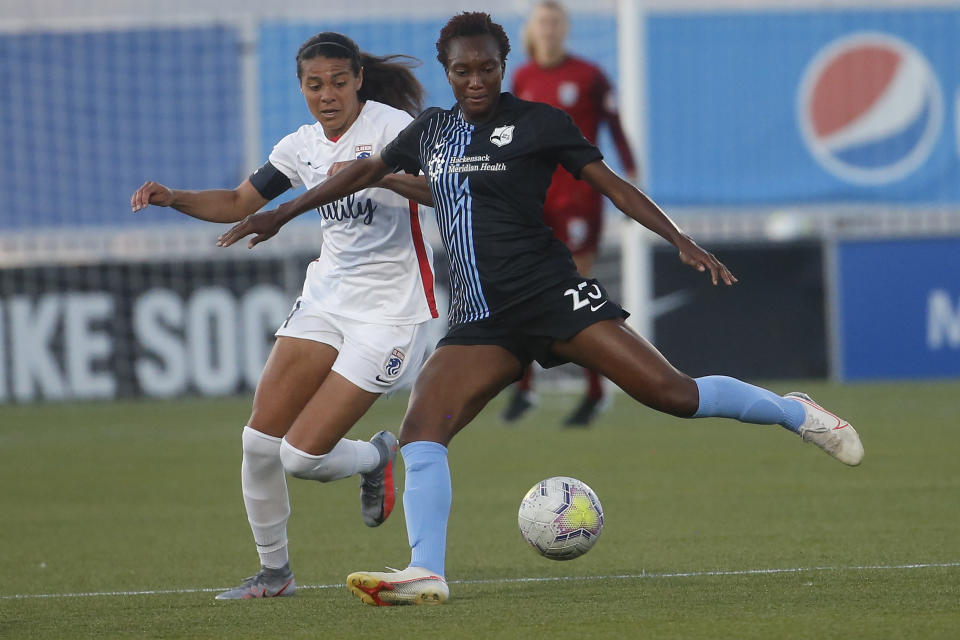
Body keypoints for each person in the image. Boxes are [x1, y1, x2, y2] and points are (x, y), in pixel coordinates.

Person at [216, 12, 864, 607]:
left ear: (504, 66)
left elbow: (613, 187)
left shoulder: (539, 123)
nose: (474, 81)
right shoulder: (432, 132)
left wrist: (679, 239)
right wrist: (279, 212)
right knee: (421, 433)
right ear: (447, 72)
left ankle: (792, 411)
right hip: (481, 322)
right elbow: (356, 175)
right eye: (462, 71)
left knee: (673, 394)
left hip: (553, 299)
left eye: (486, 68)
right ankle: (426, 571)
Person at [129, 32, 439, 600]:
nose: (327, 95)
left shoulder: (395, 130)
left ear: (358, 81)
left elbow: (442, 191)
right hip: (325, 300)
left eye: (339, 83)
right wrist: (173, 197)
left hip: (392, 312)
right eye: (315, 85)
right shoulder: (300, 146)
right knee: (257, 442)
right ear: (301, 87)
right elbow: (239, 202)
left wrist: (381, 171)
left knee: (301, 455)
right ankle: (275, 576)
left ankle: (375, 454)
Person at [507, 0, 639, 427]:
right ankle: (523, 390)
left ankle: (597, 393)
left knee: (574, 293)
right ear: (532, 29)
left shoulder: (589, 76)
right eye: (542, 22)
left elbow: (617, 131)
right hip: (534, 201)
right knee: (523, 289)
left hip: (581, 200)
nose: (548, 29)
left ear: (564, 29)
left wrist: (631, 181)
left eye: (555, 22)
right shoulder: (522, 77)